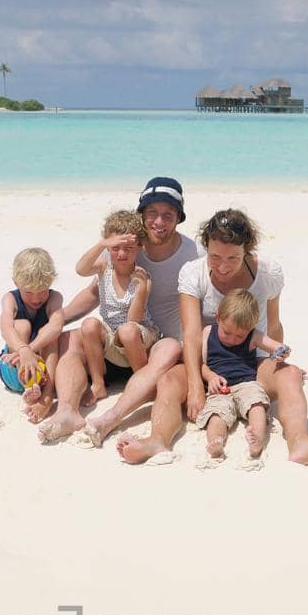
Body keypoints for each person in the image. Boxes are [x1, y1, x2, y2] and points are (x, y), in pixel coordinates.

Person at [115, 207, 308, 467]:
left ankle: (300, 442)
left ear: (247, 250)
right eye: (215, 257)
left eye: (233, 258)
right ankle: (157, 440)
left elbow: (274, 325)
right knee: (168, 379)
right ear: (206, 249)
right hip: (206, 365)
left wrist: (277, 361)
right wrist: (195, 388)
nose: (222, 267)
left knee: (289, 375)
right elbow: (190, 335)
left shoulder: (268, 272)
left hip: (251, 365)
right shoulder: (193, 273)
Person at [73, 177, 198, 447]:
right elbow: (93, 288)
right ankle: (68, 408)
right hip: (116, 342)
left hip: (157, 342)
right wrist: (58, 317)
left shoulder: (191, 253)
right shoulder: (124, 246)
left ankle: (112, 416)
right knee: (79, 332)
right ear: (141, 216)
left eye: (168, 215)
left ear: (178, 218)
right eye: (152, 213)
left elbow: (206, 303)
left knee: (163, 346)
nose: (159, 222)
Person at [198, 289, 293, 461]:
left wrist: (281, 352)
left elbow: (279, 346)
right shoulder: (207, 333)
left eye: (240, 336)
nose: (232, 339)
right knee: (216, 415)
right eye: (227, 332)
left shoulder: (253, 335)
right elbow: (202, 365)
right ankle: (216, 442)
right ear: (218, 316)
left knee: (257, 406)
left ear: (250, 328)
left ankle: (257, 440)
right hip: (220, 387)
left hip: (247, 383)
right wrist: (211, 377)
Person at [77, 210, 159, 405]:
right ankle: (98, 385)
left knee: (127, 330)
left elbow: (134, 319)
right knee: (89, 324)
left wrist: (140, 290)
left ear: (139, 246)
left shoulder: (142, 277)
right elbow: (80, 269)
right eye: (116, 248)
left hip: (138, 336)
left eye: (129, 247)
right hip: (112, 336)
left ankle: (143, 384)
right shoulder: (104, 267)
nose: (122, 253)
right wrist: (102, 244)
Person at [0, 247, 67, 426]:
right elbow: (5, 327)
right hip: (13, 368)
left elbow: (57, 325)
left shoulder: (55, 298)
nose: (36, 299)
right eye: (28, 292)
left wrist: (30, 350)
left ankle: (47, 395)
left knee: (51, 332)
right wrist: (22, 351)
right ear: (16, 282)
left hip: (43, 372)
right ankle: (29, 386)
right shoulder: (9, 299)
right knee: (21, 325)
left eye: (43, 291)